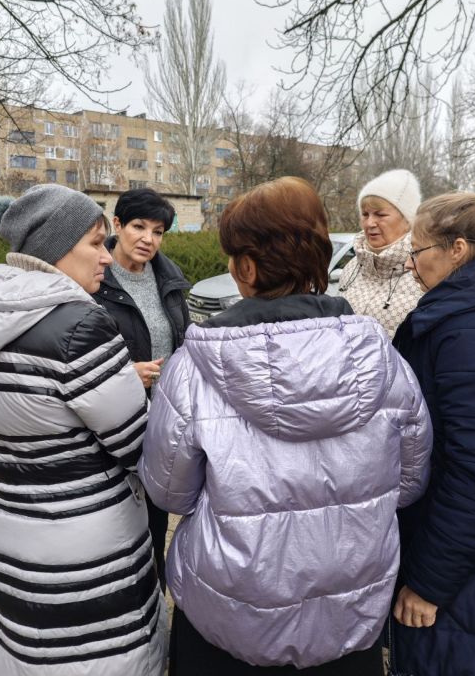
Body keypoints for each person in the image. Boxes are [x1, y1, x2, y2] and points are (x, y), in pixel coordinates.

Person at [139, 176, 432, 675]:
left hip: (228, 617)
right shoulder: (384, 361)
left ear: (246, 267)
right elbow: (408, 483)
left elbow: (170, 493)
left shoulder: (194, 369)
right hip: (348, 621)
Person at [0, 184, 166, 676]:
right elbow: (139, 447)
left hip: (2, 536)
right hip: (82, 557)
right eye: (93, 242)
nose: (106, 257)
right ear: (53, 247)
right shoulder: (81, 327)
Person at [390, 186, 475, 676]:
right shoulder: (462, 317)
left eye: (417, 251)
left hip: (465, 575)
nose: (411, 265)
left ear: (457, 250)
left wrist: (429, 582)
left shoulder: (467, 331)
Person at [94, 187, 190, 591]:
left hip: (161, 422)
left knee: (155, 514)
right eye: (138, 226)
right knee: (115, 520)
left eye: (158, 230)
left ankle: (154, 591)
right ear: (117, 225)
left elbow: (181, 340)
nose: (148, 239)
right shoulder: (96, 280)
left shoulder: (168, 279)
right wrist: (122, 371)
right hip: (113, 422)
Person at [339, 169, 423, 338]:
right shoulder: (352, 267)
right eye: (365, 214)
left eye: (380, 214)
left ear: (408, 220)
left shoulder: (424, 271)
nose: (370, 223)